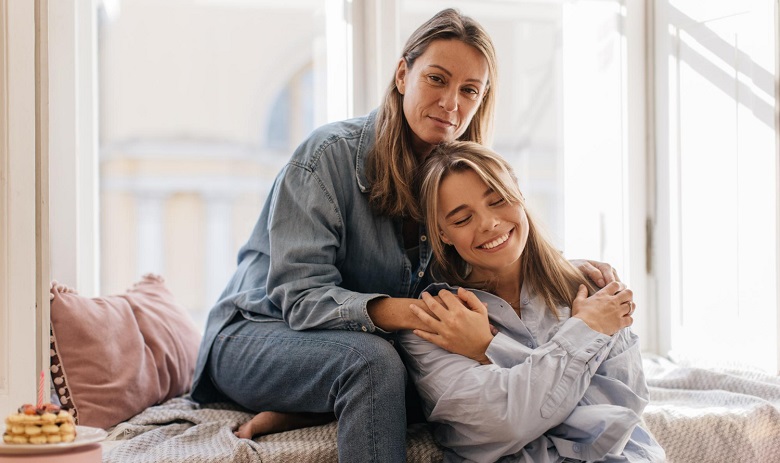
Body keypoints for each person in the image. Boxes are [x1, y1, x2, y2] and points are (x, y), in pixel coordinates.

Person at [190, 8, 623, 462]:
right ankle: (322, 395)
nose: (451, 104)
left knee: (452, 369)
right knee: (374, 362)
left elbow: (489, 247)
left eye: (468, 90)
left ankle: (311, 408)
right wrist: (423, 314)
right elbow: (299, 300)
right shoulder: (326, 158)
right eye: (437, 79)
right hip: (257, 333)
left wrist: (562, 271)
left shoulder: (457, 176)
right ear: (402, 74)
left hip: (364, 346)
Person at [398, 141, 665, 462]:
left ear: (520, 194)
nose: (488, 223)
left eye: (498, 200)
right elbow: (504, 423)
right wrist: (586, 330)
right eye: (461, 219)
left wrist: (490, 349)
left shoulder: (595, 290)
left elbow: (619, 417)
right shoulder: (432, 322)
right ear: (442, 234)